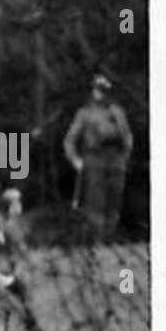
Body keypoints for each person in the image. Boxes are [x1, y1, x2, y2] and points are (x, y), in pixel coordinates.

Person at [63, 73, 133, 242]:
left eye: (104, 90)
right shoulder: (84, 113)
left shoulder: (117, 112)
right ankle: (97, 242)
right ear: (92, 91)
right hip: (94, 160)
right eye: (98, 90)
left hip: (115, 161)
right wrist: (75, 160)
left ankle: (110, 240)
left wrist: (125, 158)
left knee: (114, 202)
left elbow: (127, 137)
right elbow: (69, 140)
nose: (101, 94)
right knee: (95, 204)